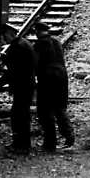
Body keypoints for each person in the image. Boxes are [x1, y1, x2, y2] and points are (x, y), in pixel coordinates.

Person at [33, 22, 74, 152]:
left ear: (37, 32)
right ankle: (69, 137)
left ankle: (50, 143)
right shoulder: (56, 42)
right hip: (62, 78)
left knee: (45, 111)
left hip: (48, 79)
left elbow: (35, 63)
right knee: (60, 108)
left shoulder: (39, 44)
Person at [0, 23, 36, 153]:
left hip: (22, 86)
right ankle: (22, 143)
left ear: (10, 34)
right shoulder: (24, 43)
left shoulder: (17, 47)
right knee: (22, 114)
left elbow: (14, 70)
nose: (4, 39)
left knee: (18, 115)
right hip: (27, 84)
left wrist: (0, 82)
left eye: (4, 36)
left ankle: (21, 145)